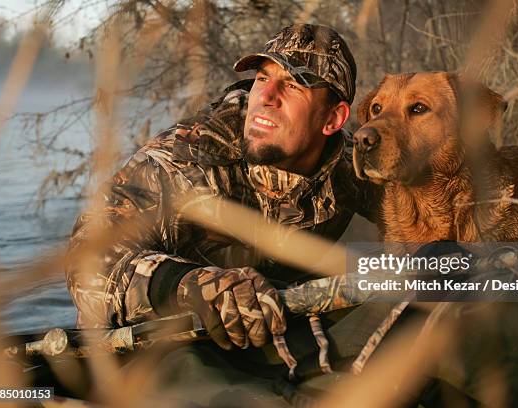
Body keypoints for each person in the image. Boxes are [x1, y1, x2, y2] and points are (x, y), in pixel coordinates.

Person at [65, 24, 381, 400]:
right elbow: (87, 262)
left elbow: (429, 210)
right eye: (263, 77)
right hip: (158, 351)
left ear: (333, 119)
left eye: (294, 84)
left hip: (274, 333)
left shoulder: (352, 164)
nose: (266, 95)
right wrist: (190, 285)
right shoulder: (183, 159)